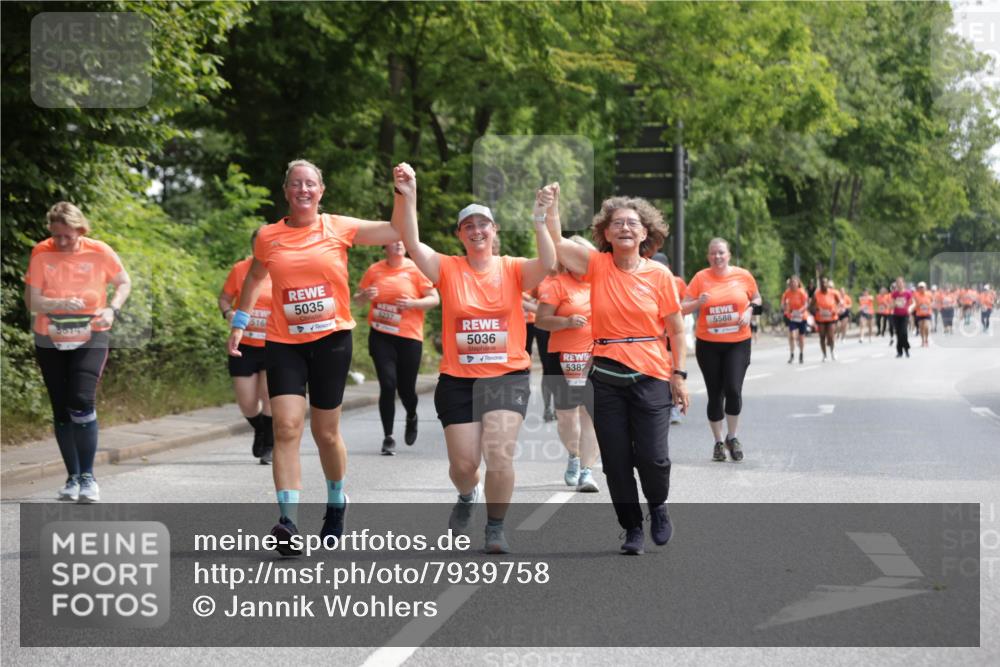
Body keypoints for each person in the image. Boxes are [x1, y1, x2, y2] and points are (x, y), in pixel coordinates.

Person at [227, 159, 410, 554]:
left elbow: (396, 230)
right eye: (296, 183)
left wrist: (402, 192)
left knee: (325, 432)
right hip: (283, 342)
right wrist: (240, 322)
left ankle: (336, 499)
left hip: (331, 340)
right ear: (286, 191)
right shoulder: (268, 236)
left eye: (311, 183)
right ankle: (288, 523)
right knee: (286, 428)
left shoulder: (337, 227)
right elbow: (256, 277)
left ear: (321, 191)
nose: (304, 190)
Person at [394, 176, 556, 555]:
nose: (477, 230)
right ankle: (467, 494)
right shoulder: (447, 268)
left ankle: (495, 527)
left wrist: (539, 217)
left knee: (499, 453)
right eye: (469, 226)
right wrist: (411, 196)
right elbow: (413, 244)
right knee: (464, 465)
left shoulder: (513, 268)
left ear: (494, 230)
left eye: (483, 224)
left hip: (506, 375)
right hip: (458, 380)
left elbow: (548, 262)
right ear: (460, 235)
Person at [551, 191, 689, 555]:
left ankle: (657, 505)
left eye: (632, 223)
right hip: (607, 375)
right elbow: (557, 243)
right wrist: (549, 210)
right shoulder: (597, 266)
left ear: (646, 233)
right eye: (617, 224)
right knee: (616, 461)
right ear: (606, 234)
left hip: (652, 375)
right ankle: (631, 529)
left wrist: (680, 375)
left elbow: (676, 330)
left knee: (653, 458)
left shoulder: (660, 275)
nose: (625, 228)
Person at [24, 202, 131, 503]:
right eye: (56, 236)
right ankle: (72, 477)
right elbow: (32, 300)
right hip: (50, 336)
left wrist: (112, 308)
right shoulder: (41, 252)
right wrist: (55, 304)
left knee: (81, 400)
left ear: (80, 230)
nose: (61, 243)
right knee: (60, 409)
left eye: (67, 237)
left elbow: (123, 282)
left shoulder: (99, 251)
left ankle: (88, 477)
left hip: (91, 334)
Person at [353, 240, 439, 455]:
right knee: (388, 384)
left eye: (402, 241)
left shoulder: (415, 268)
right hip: (381, 334)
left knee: (406, 389)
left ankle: (411, 415)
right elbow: (358, 300)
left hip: (409, 336)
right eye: (393, 241)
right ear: (385, 247)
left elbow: (434, 299)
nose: (399, 244)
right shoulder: (375, 270)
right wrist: (364, 296)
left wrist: (413, 304)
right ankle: (388, 437)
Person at [682, 238, 761, 463]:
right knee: (715, 393)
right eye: (713, 253)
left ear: (729, 255)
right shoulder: (700, 278)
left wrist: (750, 310)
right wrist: (698, 302)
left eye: (721, 253)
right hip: (708, 344)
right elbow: (682, 308)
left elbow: (756, 298)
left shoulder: (743, 275)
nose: (717, 257)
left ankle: (732, 437)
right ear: (708, 257)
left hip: (738, 342)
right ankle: (718, 442)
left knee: (733, 390)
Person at [536, 236, 600, 493]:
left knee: (589, 416)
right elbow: (541, 320)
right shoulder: (557, 284)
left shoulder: (603, 282)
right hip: (561, 357)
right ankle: (573, 456)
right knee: (565, 418)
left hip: (595, 357)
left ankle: (587, 471)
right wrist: (565, 322)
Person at [219, 228, 274, 464]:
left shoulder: (282, 268)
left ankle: (270, 445)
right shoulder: (241, 269)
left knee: (269, 396)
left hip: (274, 343)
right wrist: (228, 312)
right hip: (244, 344)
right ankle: (260, 427)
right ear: (253, 246)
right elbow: (223, 298)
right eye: (257, 244)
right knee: (247, 402)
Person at [652, 252, 688, 423]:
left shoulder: (677, 282)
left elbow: (685, 305)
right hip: (657, 335)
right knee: (663, 374)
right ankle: (666, 406)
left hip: (672, 332)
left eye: (662, 265)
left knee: (674, 372)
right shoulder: (647, 278)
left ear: (668, 267)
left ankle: (674, 408)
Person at [811, 276, 841, 362]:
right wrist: (816, 310)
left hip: (831, 317)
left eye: (825, 283)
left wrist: (836, 310)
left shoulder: (834, 293)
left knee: (831, 336)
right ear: (820, 284)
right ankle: (824, 355)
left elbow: (840, 303)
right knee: (822, 336)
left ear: (827, 284)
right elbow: (811, 306)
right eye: (822, 283)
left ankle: (832, 351)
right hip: (820, 318)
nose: (823, 284)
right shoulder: (816, 294)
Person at [781, 275, 809, 363]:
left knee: (801, 338)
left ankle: (801, 353)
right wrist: (785, 308)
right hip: (792, 317)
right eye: (791, 283)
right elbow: (783, 304)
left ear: (798, 283)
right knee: (792, 336)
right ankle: (792, 354)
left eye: (795, 282)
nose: (793, 284)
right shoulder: (787, 293)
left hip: (801, 317)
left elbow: (806, 304)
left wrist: (800, 310)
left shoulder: (801, 292)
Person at [890, 276, 914, 358]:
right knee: (898, 334)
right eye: (897, 283)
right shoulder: (894, 294)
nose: (899, 284)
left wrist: (910, 309)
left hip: (905, 315)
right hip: (896, 315)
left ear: (903, 283)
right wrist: (895, 304)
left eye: (901, 282)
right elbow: (891, 305)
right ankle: (899, 351)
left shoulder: (908, 293)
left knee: (904, 332)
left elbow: (913, 303)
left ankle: (906, 349)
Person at [913, 281, 933, 347]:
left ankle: (926, 339)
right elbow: (914, 303)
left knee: (926, 326)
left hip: (927, 313)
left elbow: (932, 300)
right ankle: (922, 340)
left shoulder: (929, 294)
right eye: (920, 287)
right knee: (921, 328)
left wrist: (930, 305)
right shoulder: (916, 295)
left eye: (923, 287)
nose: (921, 289)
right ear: (918, 288)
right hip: (919, 313)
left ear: (925, 288)